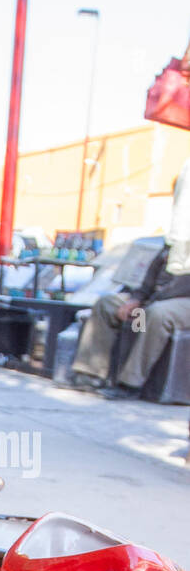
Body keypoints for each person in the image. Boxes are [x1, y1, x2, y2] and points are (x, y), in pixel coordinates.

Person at [72, 159, 190, 397]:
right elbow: (150, 278)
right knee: (109, 304)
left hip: (179, 303)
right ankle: (90, 373)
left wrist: (150, 301)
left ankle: (130, 384)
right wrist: (135, 299)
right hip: (156, 300)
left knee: (157, 315)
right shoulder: (176, 236)